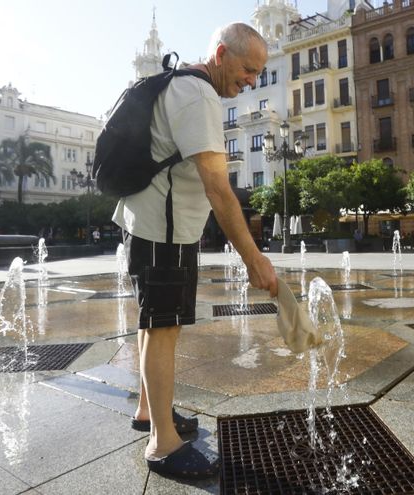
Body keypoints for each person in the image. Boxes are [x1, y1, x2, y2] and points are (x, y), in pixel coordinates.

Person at [112, 23, 277, 480]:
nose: (251, 81)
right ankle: (163, 444)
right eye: (248, 69)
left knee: (154, 323)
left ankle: (151, 412)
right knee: (162, 328)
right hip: (162, 229)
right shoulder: (198, 94)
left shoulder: (181, 82)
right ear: (221, 54)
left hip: (154, 223)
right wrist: (254, 257)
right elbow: (218, 187)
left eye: (259, 74)